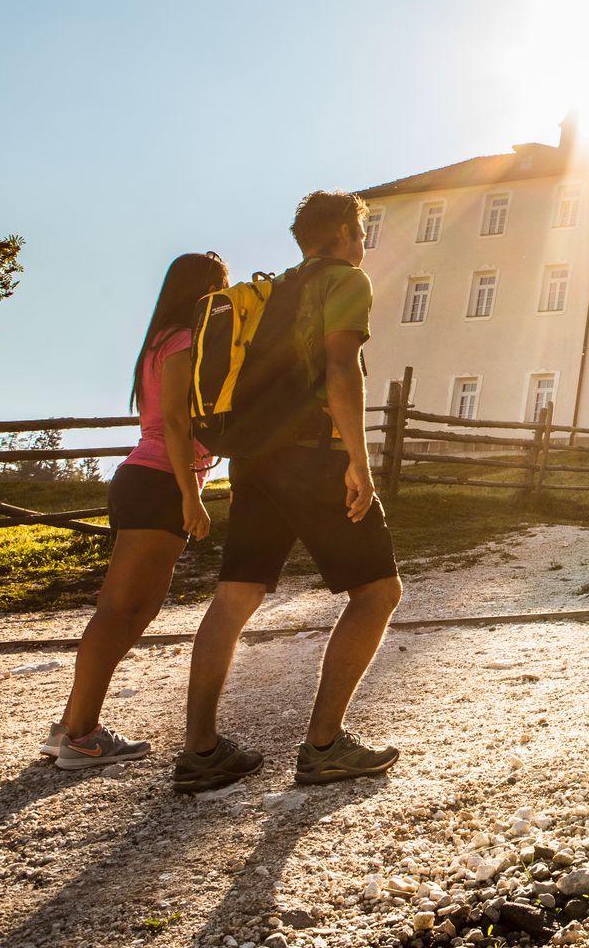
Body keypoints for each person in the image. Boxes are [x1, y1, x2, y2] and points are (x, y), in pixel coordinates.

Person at [173, 191, 402, 794]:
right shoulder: (345, 280)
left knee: (235, 596)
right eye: (361, 231)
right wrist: (359, 461)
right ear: (347, 234)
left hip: (253, 459)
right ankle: (324, 745)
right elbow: (340, 368)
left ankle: (200, 751)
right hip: (313, 455)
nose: (362, 242)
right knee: (378, 591)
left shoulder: (273, 289)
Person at [43, 251, 229, 769]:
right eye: (223, 287)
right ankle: (80, 735)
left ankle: (73, 723)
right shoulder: (184, 341)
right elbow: (173, 423)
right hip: (160, 481)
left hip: (143, 479)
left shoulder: (158, 341)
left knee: (137, 610)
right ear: (205, 290)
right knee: (119, 608)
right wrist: (193, 495)